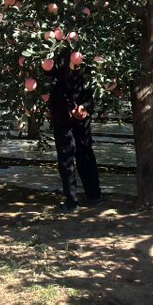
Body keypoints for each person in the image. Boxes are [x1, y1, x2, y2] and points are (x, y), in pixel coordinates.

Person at [47, 49, 102, 211]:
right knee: (71, 157)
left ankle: (88, 197)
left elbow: (91, 88)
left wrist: (83, 107)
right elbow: (55, 86)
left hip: (77, 116)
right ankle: (79, 199)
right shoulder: (58, 59)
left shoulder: (85, 63)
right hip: (65, 116)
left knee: (80, 154)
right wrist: (75, 107)